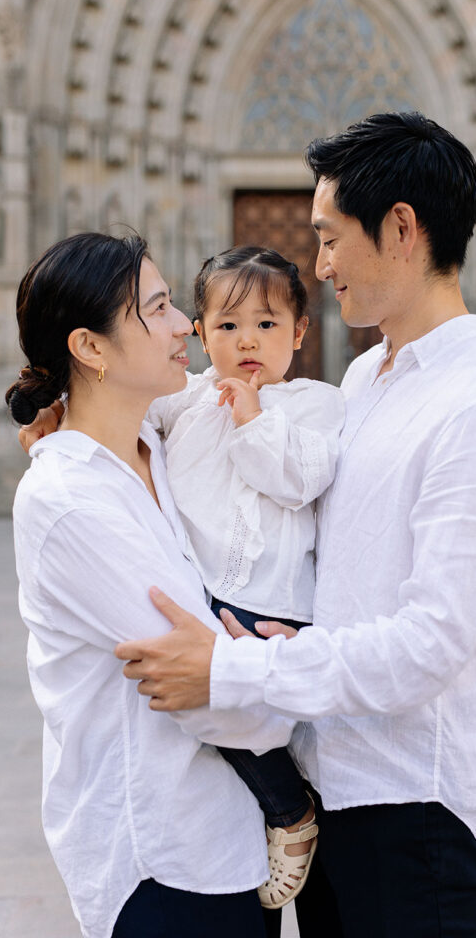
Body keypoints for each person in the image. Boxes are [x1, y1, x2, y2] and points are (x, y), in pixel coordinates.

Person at [115, 111, 476, 937]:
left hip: (410, 810)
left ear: (401, 229)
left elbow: (430, 642)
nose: (318, 264)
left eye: (329, 237)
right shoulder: (365, 382)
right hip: (333, 787)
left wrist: (233, 672)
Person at [7, 232, 298, 938]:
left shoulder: (158, 452)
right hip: (155, 859)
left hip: (228, 846)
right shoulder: (70, 499)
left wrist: (243, 665)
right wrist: (285, 673)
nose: (185, 327)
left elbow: (216, 672)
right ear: (92, 348)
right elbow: (208, 695)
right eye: (159, 308)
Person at [146, 245, 345, 907]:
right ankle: (282, 812)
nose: (247, 341)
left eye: (265, 324)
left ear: (298, 332)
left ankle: (289, 813)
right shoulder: (185, 399)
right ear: (199, 334)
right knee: (194, 708)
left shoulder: (313, 405)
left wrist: (252, 416)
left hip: (273, 605)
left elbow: (301, 479)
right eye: (227, 326)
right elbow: (127, 426)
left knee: (226, 708)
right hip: (202, 594)